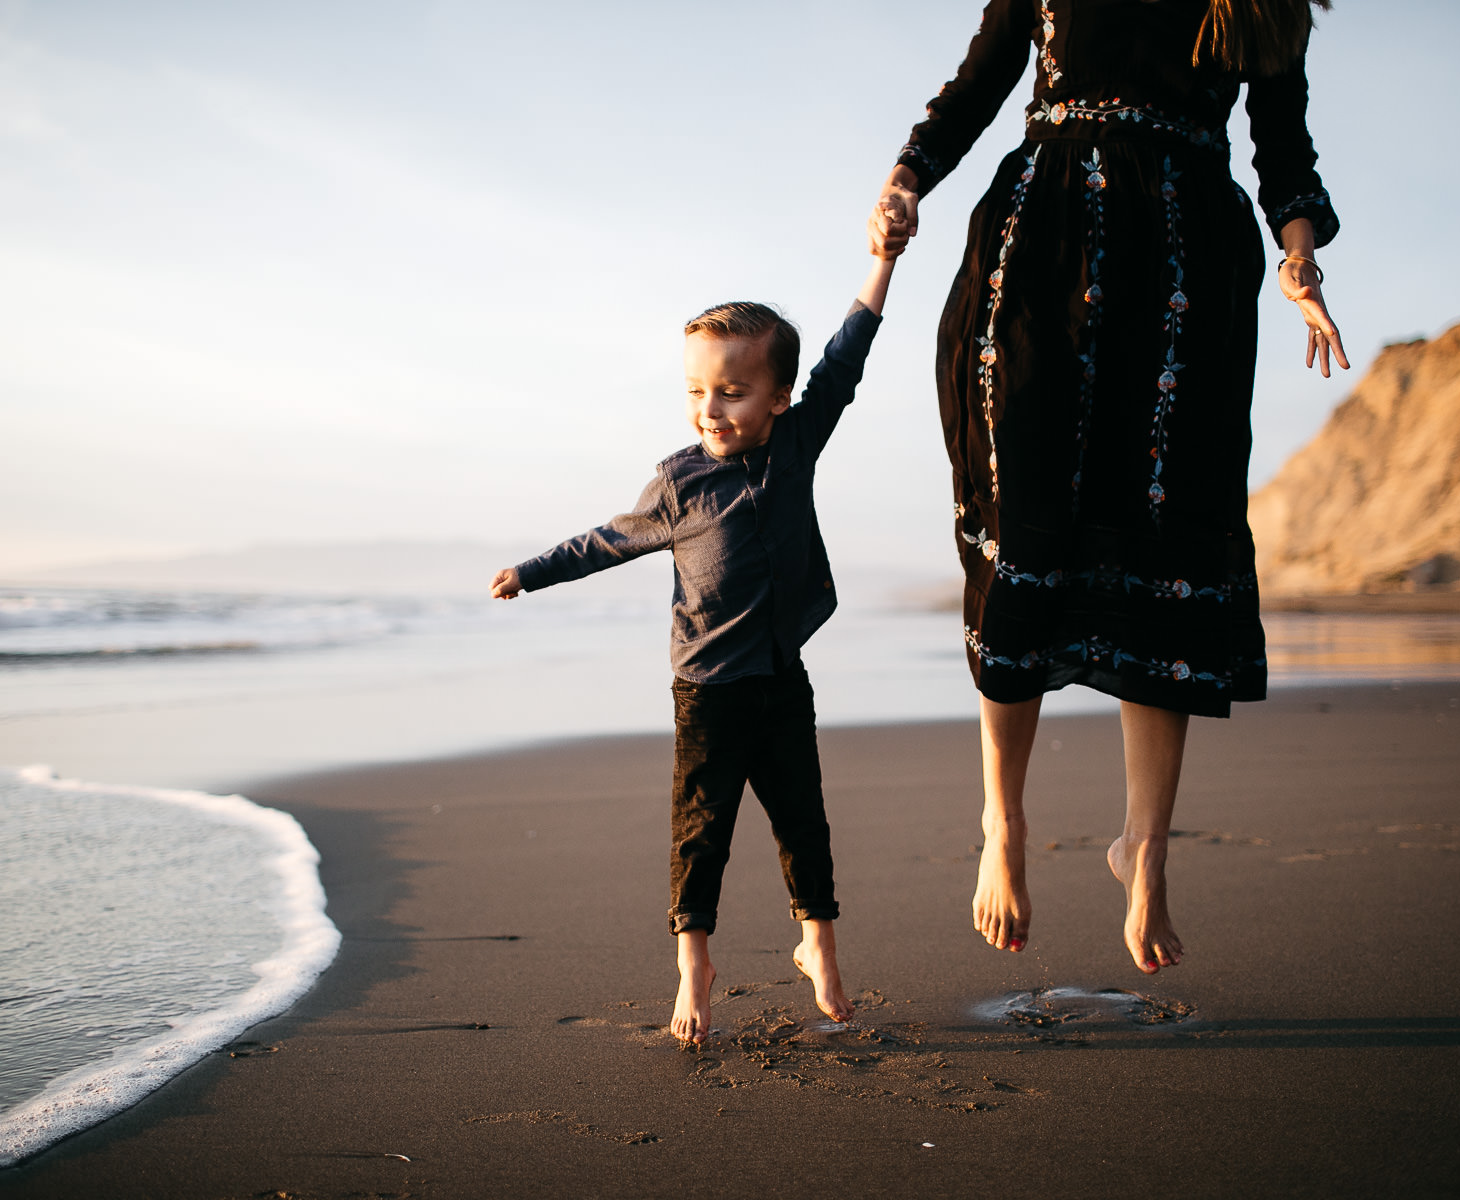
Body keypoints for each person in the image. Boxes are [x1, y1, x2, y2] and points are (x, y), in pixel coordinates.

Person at [869, 0, 1349, 973]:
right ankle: (1003, 824)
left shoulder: (1262, 0)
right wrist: (906, 180)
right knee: (1023, 527)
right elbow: (980, 81)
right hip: (1042, 246)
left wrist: (1300, 256)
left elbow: (1282, 140)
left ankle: (1147, 850)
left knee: (1163, 533)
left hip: (1184, 266)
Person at [490, 219, 906, 1042]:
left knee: (803, 821)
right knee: (700, 834)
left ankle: (817, 945)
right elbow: (606, 541)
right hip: (707, 694)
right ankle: (695, 965)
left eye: (731, 391)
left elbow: (845, 360)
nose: (709, 409)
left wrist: (881, 263)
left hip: (781, 678)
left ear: (777, 396)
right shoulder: (681, 483)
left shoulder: (797, 442)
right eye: (696, 391)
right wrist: (532, 571)